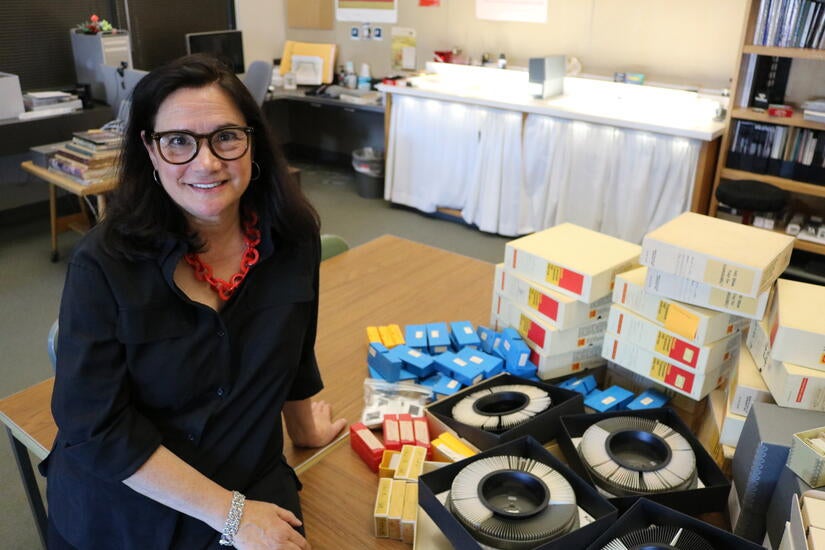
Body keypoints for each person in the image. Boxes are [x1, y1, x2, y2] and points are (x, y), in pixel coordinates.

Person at [41, 53, 346, 549]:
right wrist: (231, 515)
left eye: (226, 137)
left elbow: (293, 348)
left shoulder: (293, 239)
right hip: (128, 499)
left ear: (252, 141)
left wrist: (306, 428)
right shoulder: (103, 264)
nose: (206, 162)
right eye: (178, 141)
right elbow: (93, 428)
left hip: (248, 473)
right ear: (150, 150)